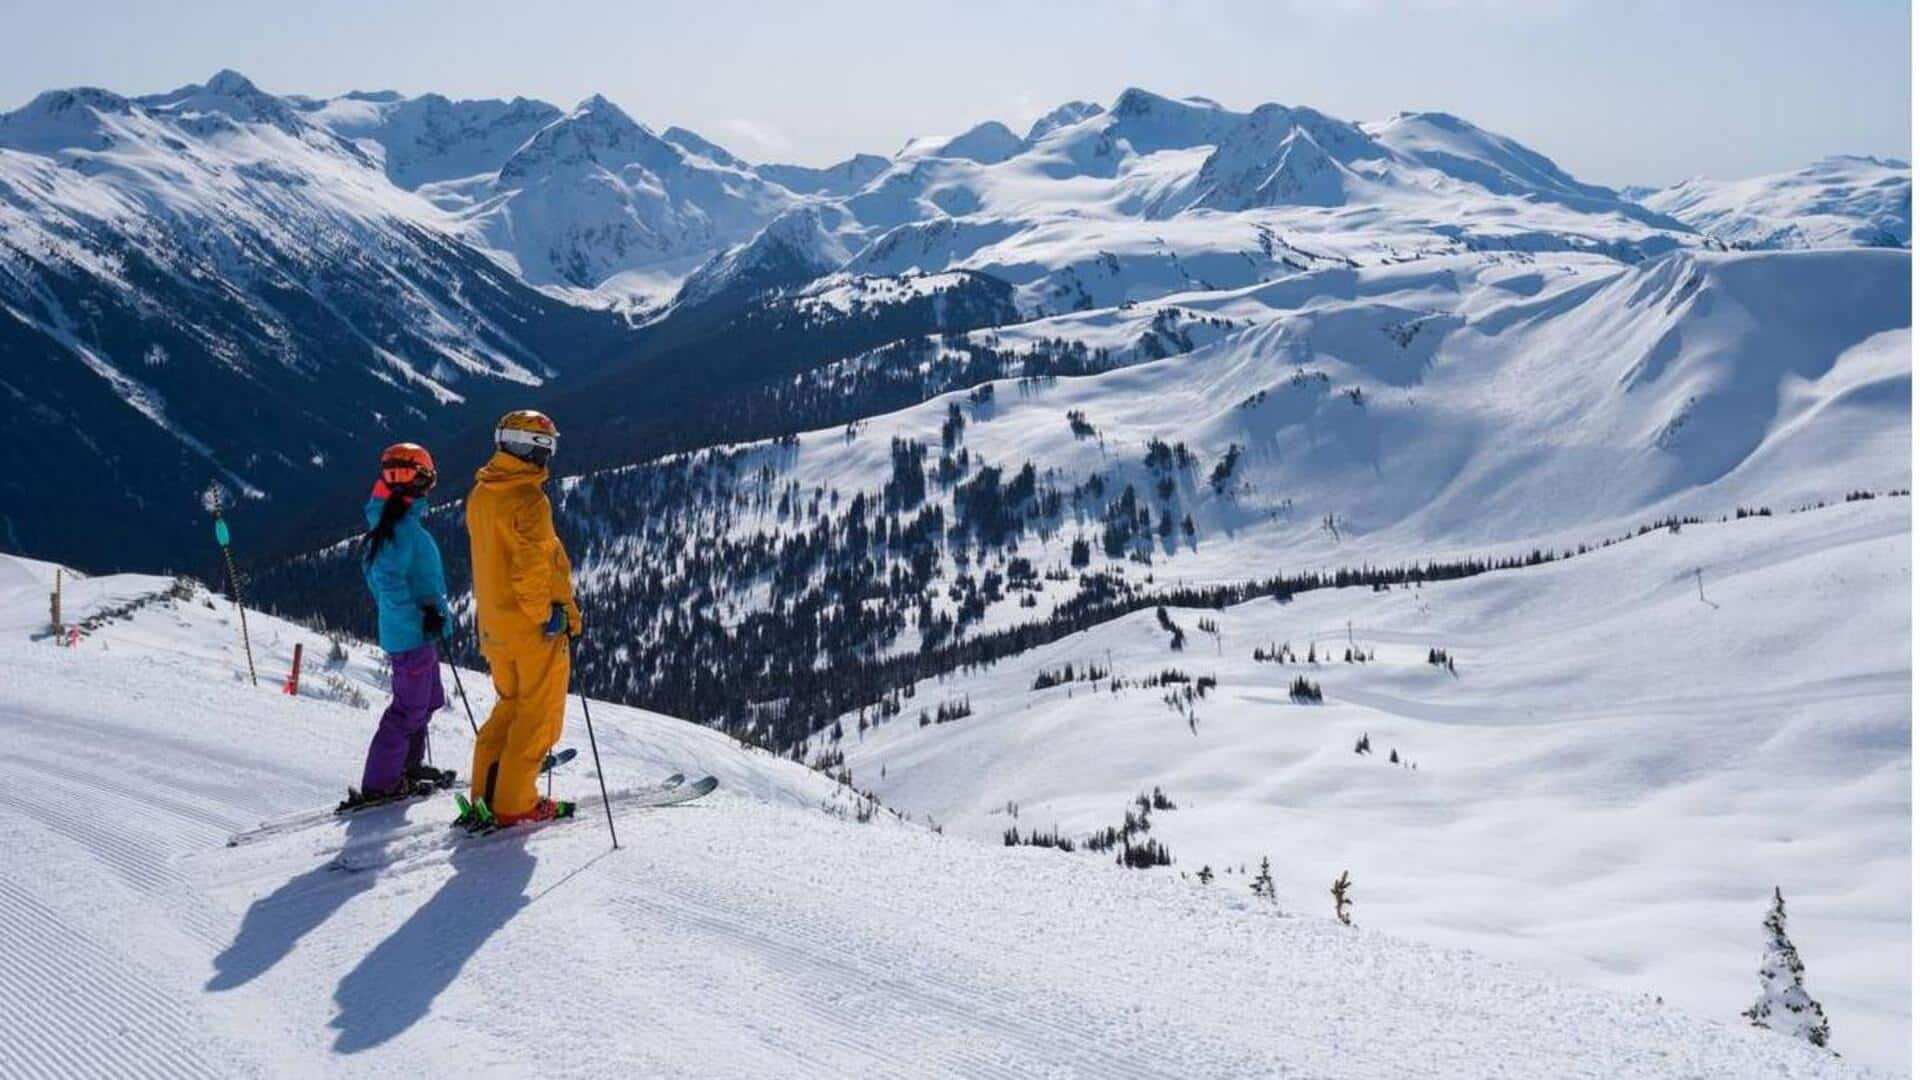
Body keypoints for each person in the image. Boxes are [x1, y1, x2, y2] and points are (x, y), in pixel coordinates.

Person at [463, 410, 581, 826]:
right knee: (537, 717)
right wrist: (549, 614)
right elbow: (532, 570)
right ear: (538, 449)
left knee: (508, 708)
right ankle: (515, 805)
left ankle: (485, 795)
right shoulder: (528, 500)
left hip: (495, 627)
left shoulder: (483, 494)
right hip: (531, 630)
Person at [347, 443, 453, 809]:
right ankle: (382, 783)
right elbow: (387, 582)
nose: (426, 487)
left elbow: (384, 580)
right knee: (408, 710)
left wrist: (425, 615)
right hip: (410, 637)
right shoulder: (396, 530)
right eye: (424, 480)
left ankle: (405, 767)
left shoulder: (395, 523)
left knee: (429, 701)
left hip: (416, 633)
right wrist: (417, 617)